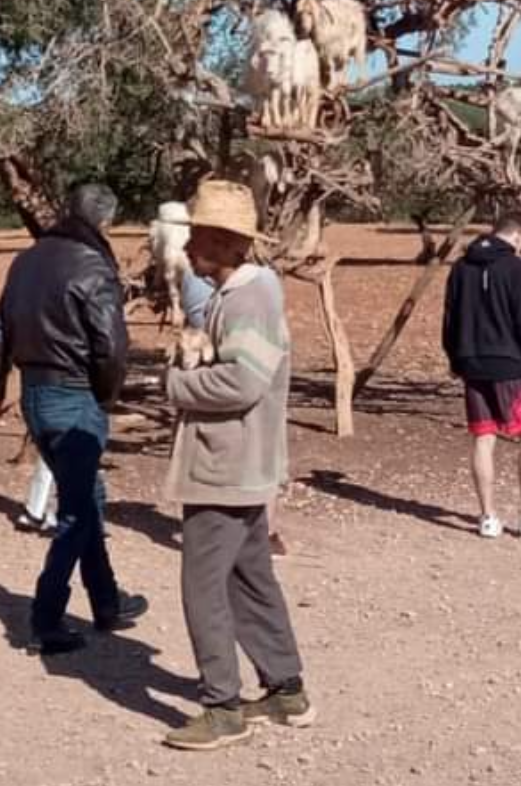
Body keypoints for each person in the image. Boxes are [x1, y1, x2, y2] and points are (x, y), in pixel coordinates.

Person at [164, 179, 314, 753]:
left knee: (203, 587)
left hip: (225, 465)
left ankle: (222, 708)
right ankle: (285, 690)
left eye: (199, 235)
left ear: (228, 242)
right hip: (242, 463)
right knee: (250, 578)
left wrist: (177, 384)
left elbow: (243, 381)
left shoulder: (249, 298)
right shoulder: (243, 292)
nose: (188, 246)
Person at [0, 183, 147, 654]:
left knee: (87, 497)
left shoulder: (26, 261)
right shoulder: (94, 265)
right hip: (74, 396)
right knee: (77, 513)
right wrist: (107, 397)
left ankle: (107, 602)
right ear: (106, 222)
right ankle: (46, 618)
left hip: (34, 394)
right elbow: (111, 344)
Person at [442, 207, 521, 540]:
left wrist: (455, 360)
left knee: (483, 436)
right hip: (508, 363)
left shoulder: (460, 267)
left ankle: (488, 517)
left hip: (471, 362)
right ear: (518, 235)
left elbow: (450, 318)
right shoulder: (518, 268)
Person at [183, 263, 287, 557]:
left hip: (232, 369)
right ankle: (262, 530)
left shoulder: (249, 285)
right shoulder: (261, 279)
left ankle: (256, 530)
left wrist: (177, 382)